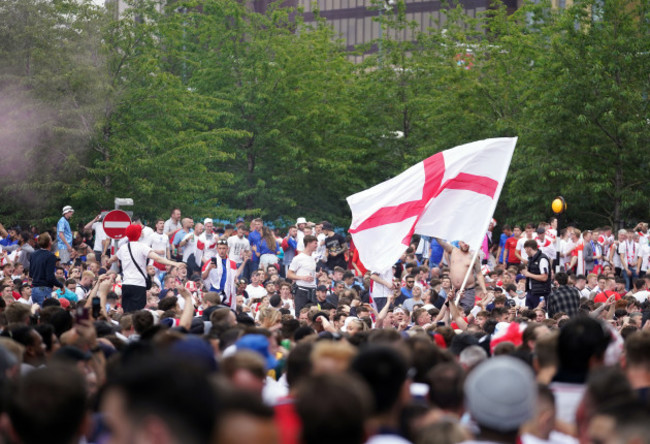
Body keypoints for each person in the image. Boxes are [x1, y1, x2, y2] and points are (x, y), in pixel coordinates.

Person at [107, 224, 183, 312]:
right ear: (138, 234)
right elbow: (157, 258)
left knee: (127, 311)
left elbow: (113, 259)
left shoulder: (123, 248)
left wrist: (108, 261)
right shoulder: (142, 247)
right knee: (138, 312)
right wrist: (174, 263)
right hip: (139, 284)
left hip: (126, 284)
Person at [435, 238, 487, 313]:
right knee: (451, 311)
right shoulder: (453, 250)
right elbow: (442, 243)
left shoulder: (473, 256)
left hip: (468, 290)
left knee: (465, 313)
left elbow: (479, 274)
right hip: (454, 290)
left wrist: (484, 290)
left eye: (467, 242)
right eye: (463, 242)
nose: (465, 244)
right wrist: (436, 236)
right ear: (459, 243)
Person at [201, 239, 244, 307]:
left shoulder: (232, 263)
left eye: (223, 248)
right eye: (220, 248)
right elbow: (203, 277)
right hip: (214, 293)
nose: (221, 250)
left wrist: (235, 280)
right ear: (217, 249)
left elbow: (234, 277)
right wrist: (209, 268)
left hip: (226, 295)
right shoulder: (210, 261)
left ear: (227, 249)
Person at [29, 232, 64, 306]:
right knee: (46, 314)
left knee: (37, 314)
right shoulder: (51, 256)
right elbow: (50, 277)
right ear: (50, 242)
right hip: (44, 289)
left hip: (34, 290)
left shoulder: (33, 254)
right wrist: (61, 285)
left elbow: (31, 274)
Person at [287, 235, 319, 314]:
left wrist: (317, 275)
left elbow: (309, 274)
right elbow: (289, 274)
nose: (316, 245)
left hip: (313, 290)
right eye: (315, 243)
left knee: (314, 315)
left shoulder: (313, 258)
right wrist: (302, 278)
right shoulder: (298, 258)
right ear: (309, 244)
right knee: (301, 314)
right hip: (302, 291)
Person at [522, 239, 551, 309]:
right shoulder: (531, 259)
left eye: (525, 249)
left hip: (540, 292)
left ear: (529, 248)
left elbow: (544, 277)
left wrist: (528, 274)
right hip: (531, 291)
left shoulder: (542, 259)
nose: (525, 252)